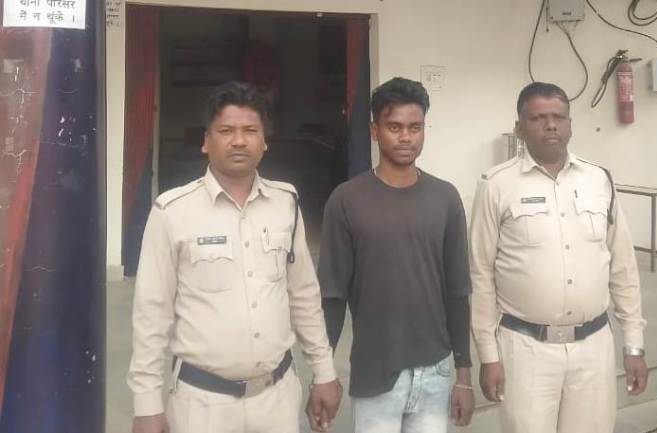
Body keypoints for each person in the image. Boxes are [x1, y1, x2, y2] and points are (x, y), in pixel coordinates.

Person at [128, 81, 342, 433]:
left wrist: (324, 372)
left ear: (264, 141)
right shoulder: (172, 212)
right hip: (202, 406)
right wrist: (147, 404)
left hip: (277, 399)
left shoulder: (285, 204)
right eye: (226, 131)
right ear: (206, 141)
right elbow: (151, 314)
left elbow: (303, 295)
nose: (239, 141)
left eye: (250, 131)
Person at [469, 82, 648, 433]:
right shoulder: (496, 185)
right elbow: (481, 274)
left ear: (570, 124)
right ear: (519, 127)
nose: (550, 125)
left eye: (558, 117)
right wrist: (488, 355)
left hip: (593, 349)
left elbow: (623, 268)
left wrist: (634, 345)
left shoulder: (599, 180)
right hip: (526, 350)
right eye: (538, 118)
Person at [318, 77, 475, 433]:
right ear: (374, 131)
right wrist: (323, 373)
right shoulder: (346, 200)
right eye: (394, 127)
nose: (406, 137)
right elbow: (332, 295)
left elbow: (457, 291)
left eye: (415, 127)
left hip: (435, 372)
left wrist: (463, 375)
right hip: (376, 373)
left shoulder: (445, 198)